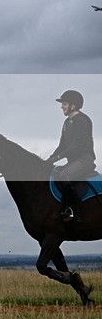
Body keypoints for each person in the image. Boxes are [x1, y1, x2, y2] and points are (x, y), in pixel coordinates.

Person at [47, 90, 96, 223]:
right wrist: (50, 159)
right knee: (55, 173)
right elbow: (62, 145)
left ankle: (74, 212)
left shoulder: (82, 120)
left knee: (64, 176)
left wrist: (57, 157)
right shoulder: (67, 123)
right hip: (73, 161)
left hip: (85, 160)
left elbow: (76, 146)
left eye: (64, 103)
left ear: (73, 106)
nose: (62, 106)